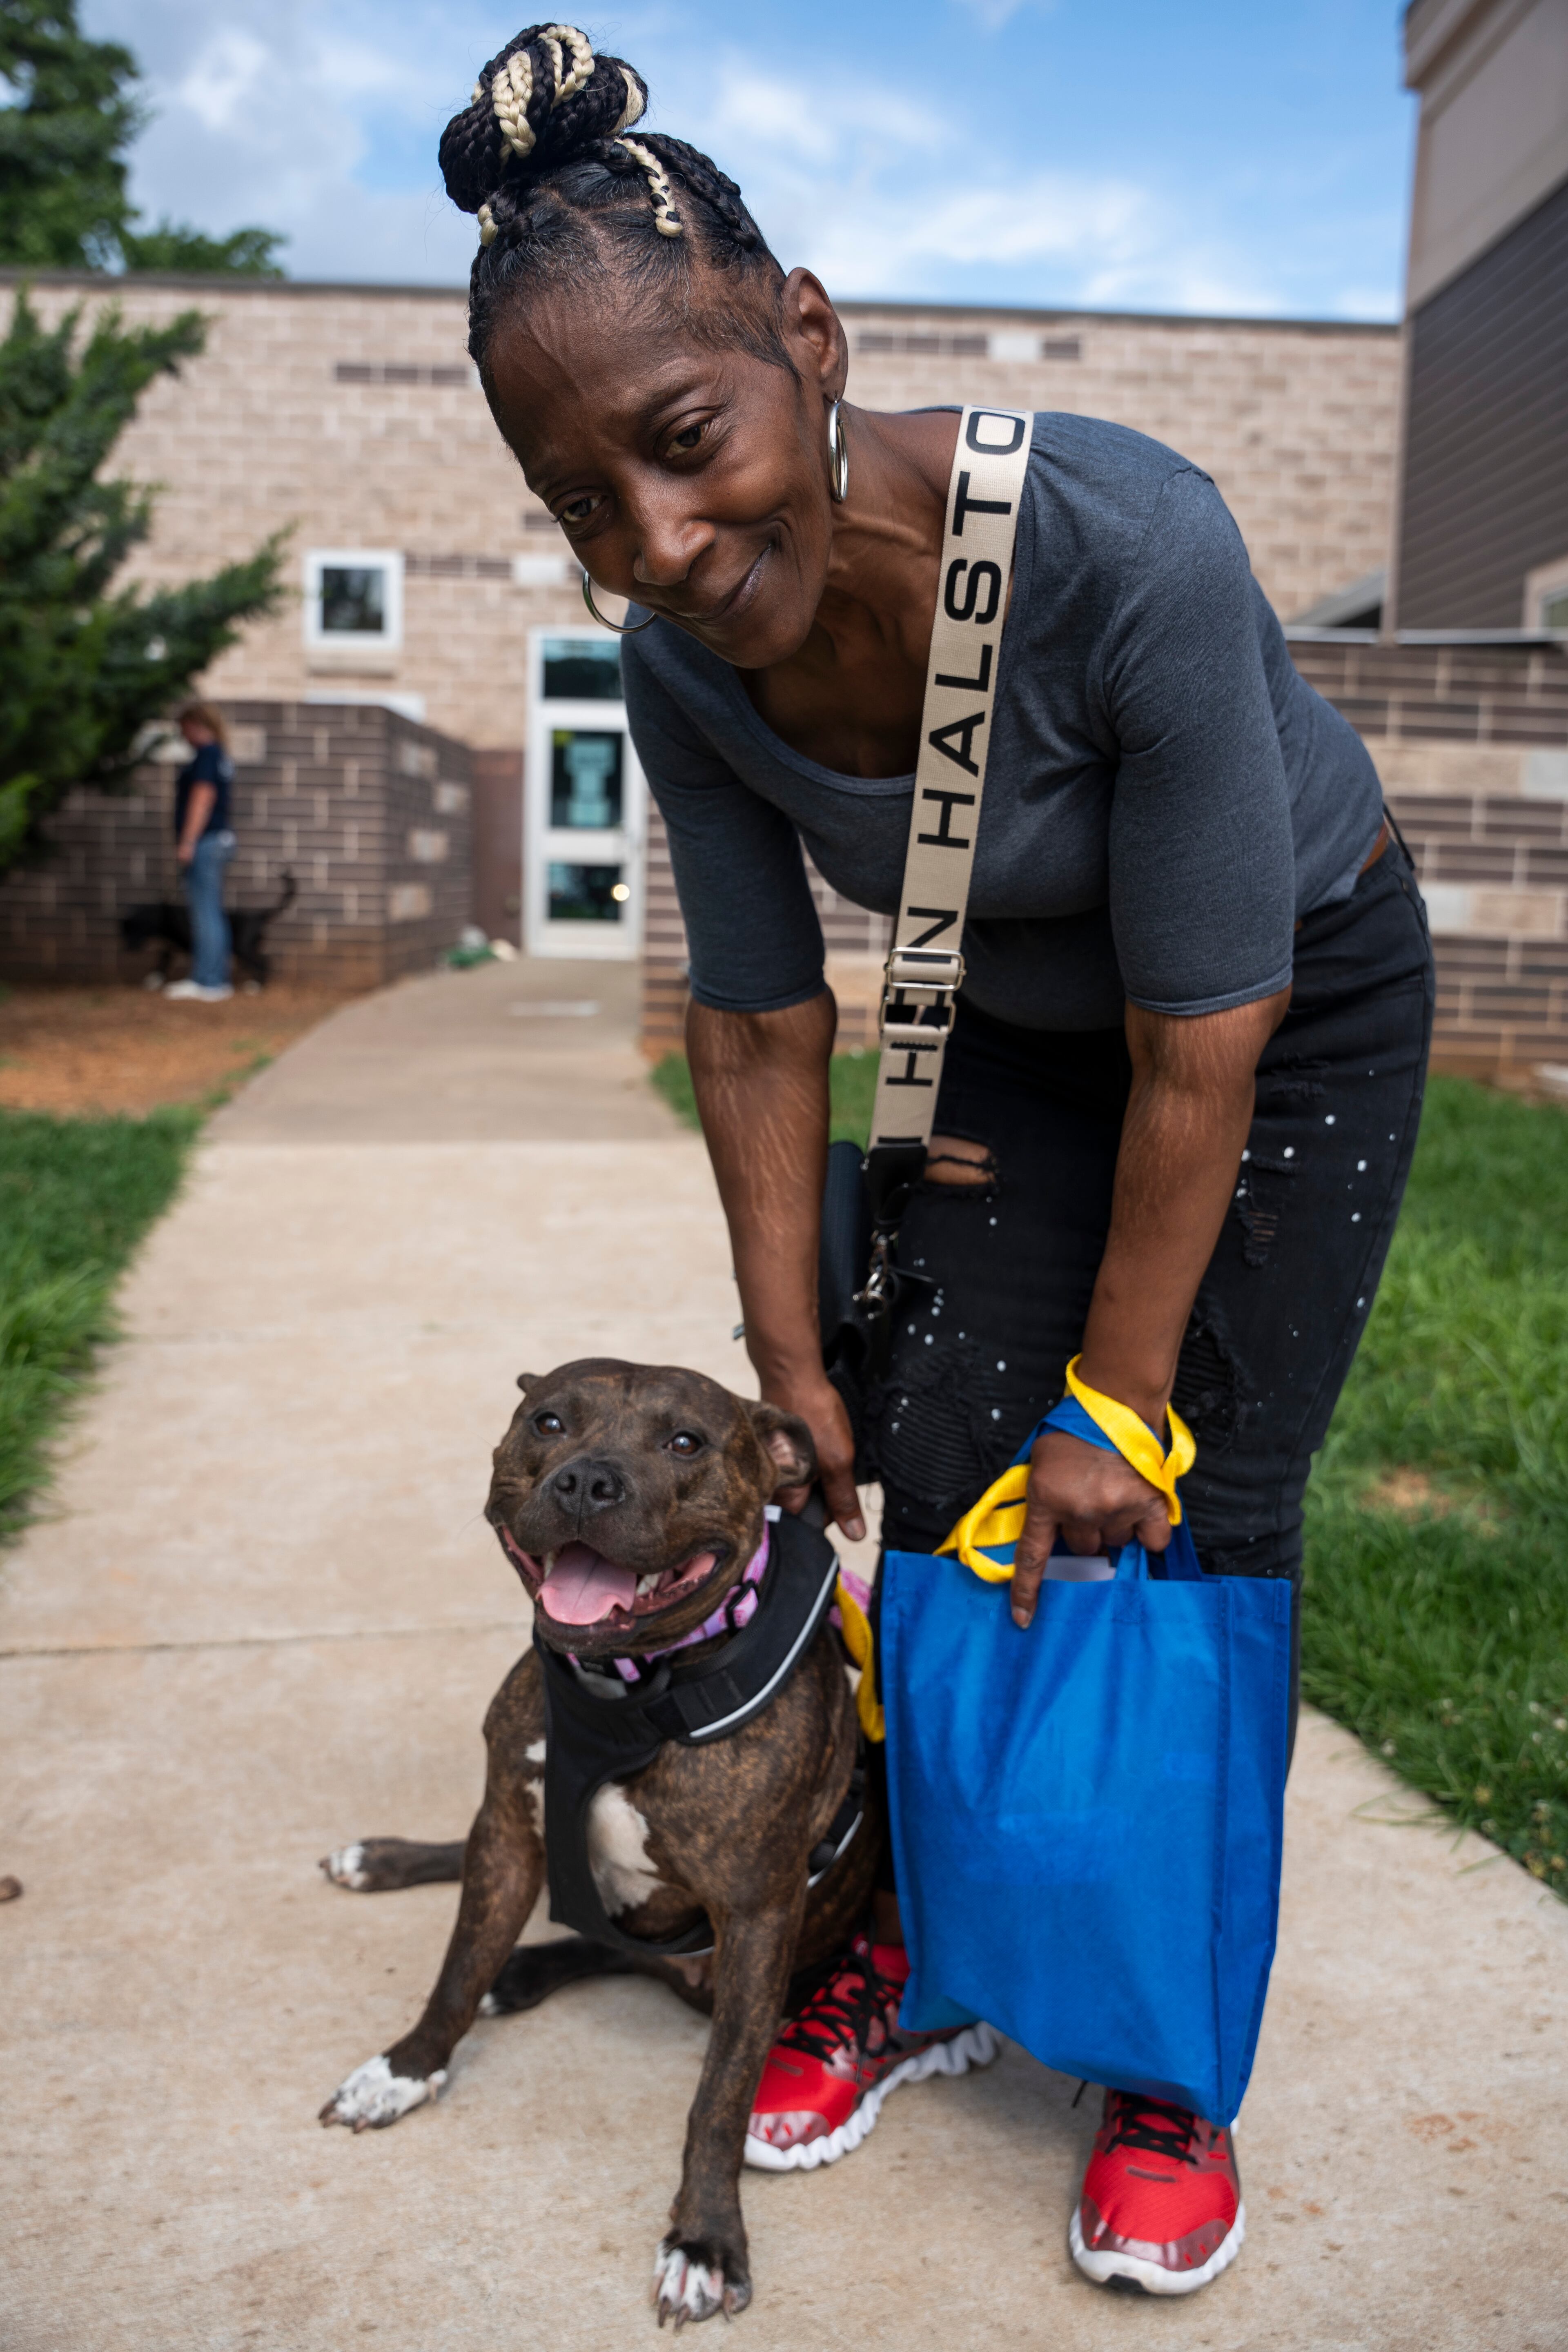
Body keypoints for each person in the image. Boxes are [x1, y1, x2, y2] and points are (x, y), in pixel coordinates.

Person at [438, 29, 1433, 2298]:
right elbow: (761, 1012)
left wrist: (1120, 1393)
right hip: (1018, 1013)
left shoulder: (1114, 541)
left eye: (681, 442)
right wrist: (785, 1358)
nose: (658, 543)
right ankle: (936, 1951)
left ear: (806, 335)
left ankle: (1159, 2051)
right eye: (586, 503)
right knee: (915, 1454)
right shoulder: (683, 660)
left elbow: (1209, 1030)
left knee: (1170, 1511)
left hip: (1273, 1014)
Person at [165, 702, 236, 1002]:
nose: (183, 736)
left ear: (195, 724)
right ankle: (214, 978)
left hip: (206, 841)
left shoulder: (207, 754)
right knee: (211, 911)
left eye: (184, 729)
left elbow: (203, 797)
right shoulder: (219, 754)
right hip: (218, 840)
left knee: (204, 912)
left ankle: (208, 982)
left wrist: (188, 841)